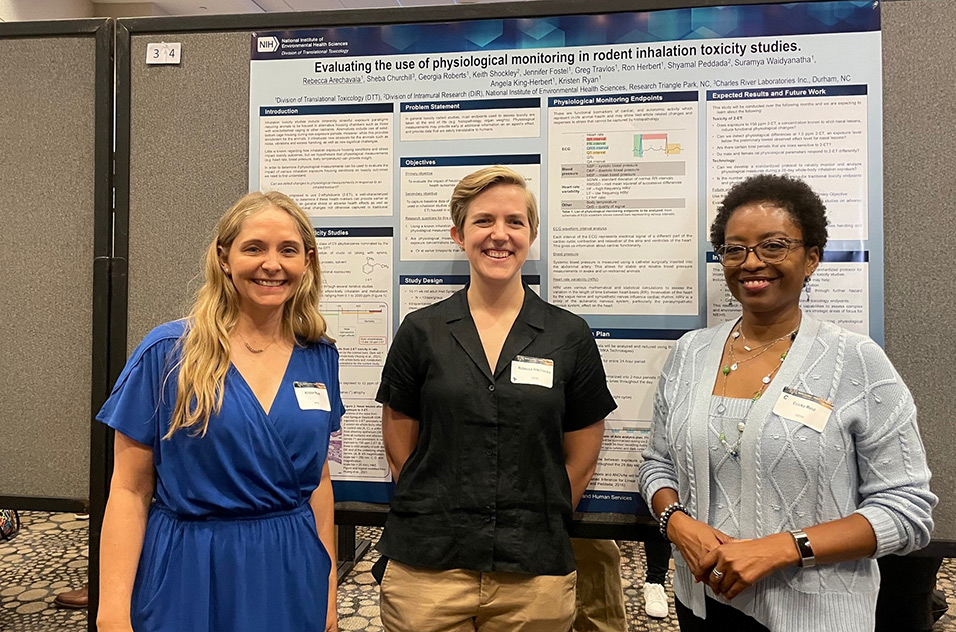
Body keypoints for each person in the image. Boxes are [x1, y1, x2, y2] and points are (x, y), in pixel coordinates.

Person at [639, 174, 936, 631]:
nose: (751, 262)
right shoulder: (690, 353)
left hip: (813, 615)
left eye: (773, 246)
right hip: (701, 601)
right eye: (734, 249)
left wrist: (784, 547)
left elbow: (907, 509)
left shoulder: (855, 361)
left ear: (811, 257)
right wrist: (677, 522)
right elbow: (656, 463)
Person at [376, 166, 616, 632]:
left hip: (533, 568)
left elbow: (582, 453)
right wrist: (439, 504)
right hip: (429, 564)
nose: (499, 235)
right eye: (483, 221)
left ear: (531, 233)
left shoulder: (569, 335)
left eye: (514, 222)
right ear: (458, 234)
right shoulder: (421, 331)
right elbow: (399, 440)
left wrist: (534, 510)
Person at [96, 191, 343, 632]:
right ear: (224, 257)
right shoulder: (169, 352)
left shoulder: (319, 355)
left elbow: (319, 482)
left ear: (306, 261)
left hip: (291, 567)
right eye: (254, 248)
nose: (272, 264)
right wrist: (112, 611)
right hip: (190, 566)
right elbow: (130, 489)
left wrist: (327, 591)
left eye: (288, 250)